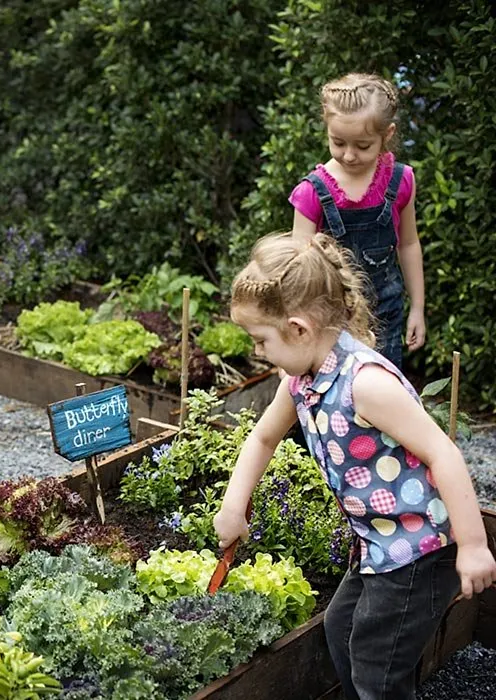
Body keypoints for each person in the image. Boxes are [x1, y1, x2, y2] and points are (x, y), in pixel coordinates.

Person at [213, 232, 496, 699]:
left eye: (261, 340)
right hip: (379, 541)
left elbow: (442, 451)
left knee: (376, 663)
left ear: (299, 328)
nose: (258, 352)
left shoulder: (365, 384)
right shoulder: (301, 380)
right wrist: (233, 506)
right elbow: (263, 438)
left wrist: (473, 545)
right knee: (343, 627)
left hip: (419, 547)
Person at [290, 73, 423, 368]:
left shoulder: (401, 181)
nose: (348, 155)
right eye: (338, 143)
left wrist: (417, 307)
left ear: (387, 135)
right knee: (331, 399)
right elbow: (299, 268)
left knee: (379, 395)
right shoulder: (312, 192)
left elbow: (409, 245)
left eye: (362, 146)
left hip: (384, 315)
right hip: (328, 320)